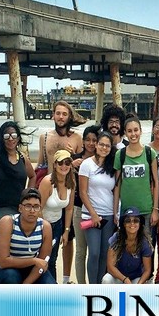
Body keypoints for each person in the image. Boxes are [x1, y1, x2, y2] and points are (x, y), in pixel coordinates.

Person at [37, 100, 84, 284]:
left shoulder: (76, 138)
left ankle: (65, 277)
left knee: (68, 237)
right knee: (45, 240)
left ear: (69, 116)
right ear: (53, 115)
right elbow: (40, 165)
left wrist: (75, 157)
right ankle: (45, 277)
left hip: (69, 189)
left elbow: (83, 162)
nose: (61, 117)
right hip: (48, 189)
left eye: (64, 114)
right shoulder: (45, 137)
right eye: (58, 113)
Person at [0, 188, 54, 284]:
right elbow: (3, 262)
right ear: (20, 208)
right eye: (28, 206)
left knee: (50, 286)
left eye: (36, 207)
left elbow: (42, 263)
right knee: (10, 277)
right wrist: (34, 260)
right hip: (6, 269)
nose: (32, 210)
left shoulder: (45, 227)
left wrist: (26, 285)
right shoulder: (8, 222)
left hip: (32, 268)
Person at [79, 131, 118, 284]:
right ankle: (92, 286)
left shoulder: (112, 166)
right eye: (101, 144)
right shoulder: (86, 164)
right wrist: (93, 214)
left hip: (108, 214)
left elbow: (115, 191)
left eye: (107, 146)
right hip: (91, 215)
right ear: (96, 145)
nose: (104, 148)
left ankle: (101, 287)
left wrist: (115, 213)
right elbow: (83, 192)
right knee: (94, 253)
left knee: (104, 254)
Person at [0, 121, 36, 232]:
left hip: (20, 209)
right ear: (2, 139)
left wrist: (28, 194)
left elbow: (32, 176)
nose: (10, 139)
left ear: (18, 138)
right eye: (6, 136)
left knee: (19, 246)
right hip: (1, 210)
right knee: (4, 246)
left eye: (14, 135)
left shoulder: (22, 157)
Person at [114, 114, 159, 236]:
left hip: (146, 210)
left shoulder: (150, 153)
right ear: (125, 133)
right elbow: (117, 184)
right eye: (129, 131)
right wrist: (115, 212)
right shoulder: (120, 154)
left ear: (141, 131)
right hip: (126, 211)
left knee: (147, 250)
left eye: (136, 130)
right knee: (128, 250)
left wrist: (155, 210)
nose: (133, 134)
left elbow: (156, 183)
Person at [39, 149, 75, 282]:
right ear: (54, 164)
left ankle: (52, 287)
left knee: (53, 259)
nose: (64, 166)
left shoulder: (71, 182)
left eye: (67, 163)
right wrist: (44, 229)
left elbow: (69, 208)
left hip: (58, 224)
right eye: (60, 163)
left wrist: (66, 231)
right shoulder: (47, 182)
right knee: (43, 258)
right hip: (43, 224)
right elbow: (38, 208)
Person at [70, 124, 100, 283]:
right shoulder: (75, 159)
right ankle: (81, 285)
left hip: (98, 210)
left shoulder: (102, 160)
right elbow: (62, 179)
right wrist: (71, 167)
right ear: (83, 141)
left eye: (94, 140)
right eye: (87, 139)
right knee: (81, 250)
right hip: (79, 210)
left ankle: (95, 283)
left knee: (95, 251)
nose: (91, 143)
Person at [103, 207, 153, 284]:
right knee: (106, 279)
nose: (132, 223)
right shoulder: (116, 238)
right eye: (128, 221)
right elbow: (110, 267)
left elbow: (147, 270)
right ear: (124, 224)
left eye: (136, 221)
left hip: (136, 278)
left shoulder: (144, 242)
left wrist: (138, 286)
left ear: (140, 224)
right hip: (118, 277)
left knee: (142, 286)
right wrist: (124, 279)